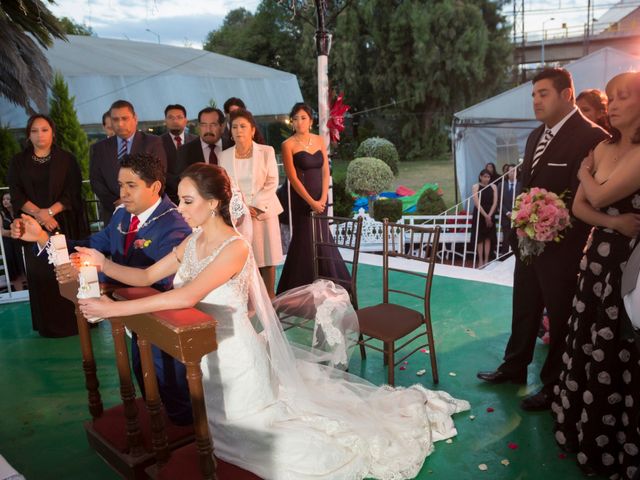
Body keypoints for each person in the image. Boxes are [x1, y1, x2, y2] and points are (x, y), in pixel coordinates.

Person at [76, 163, 470, 480]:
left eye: (187, 200)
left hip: (235, 357)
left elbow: (186, 296)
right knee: (217, 432)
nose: (178, 209)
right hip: (206, 356)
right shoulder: (192, 241)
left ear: (212, 203)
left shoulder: (235, 247)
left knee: (269, 446)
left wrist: (111, 310)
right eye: (179, 199)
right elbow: (145, 277)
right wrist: (103, 263)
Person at [13, 152, 194, 425]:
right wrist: (42, 237)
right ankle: (168, 428)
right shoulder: (122, 216)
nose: (123, 192)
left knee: (171, 384)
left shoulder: (175, 226)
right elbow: (91, 244)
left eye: (131, 185)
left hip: (166, 322)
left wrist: (103, 274)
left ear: (155, 187)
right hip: (135, 320)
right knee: (143, 376)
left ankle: (188, 434)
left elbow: (163, 282)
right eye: (120, 185)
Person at [477, 68, 610, 411]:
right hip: (527, 241)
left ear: (567, 94)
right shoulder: (537, 135)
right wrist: (517, 225)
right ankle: (514, 367)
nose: (536, 100)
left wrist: (553, 225)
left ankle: (554, 386)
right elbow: (525, 185)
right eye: (534, 94)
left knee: (561, 314)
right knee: (524, 305)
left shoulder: (592, 136)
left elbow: (586, 196)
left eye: (544, 93)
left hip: (564, 246)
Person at [552, 72, 640, 479]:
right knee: (588, 339)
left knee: (619, 350)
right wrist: (617, 222)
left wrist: (584, 175)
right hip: (598, 261)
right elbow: (580, 209)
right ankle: (581, 431)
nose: (614, 104)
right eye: (612, 97)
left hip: (631, 266)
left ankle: (612, 445)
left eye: (624, 96)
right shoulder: (603, 147)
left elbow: (598, 196)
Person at [8, 114, 89, 337]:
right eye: (34, 131)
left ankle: (79, 320)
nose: (40, 135)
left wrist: (52, 211)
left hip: (64, 223)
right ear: (28, 135)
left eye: (44, 130)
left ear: (53, 132)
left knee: (67, 271)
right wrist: (40, 215)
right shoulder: (18, 161)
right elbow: (16, 194)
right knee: (43, 274)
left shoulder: (67, 159)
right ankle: (49, 325)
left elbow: (73, 192)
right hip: (33, 228)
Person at [276, 103, 350, 294]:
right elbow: (292, 178)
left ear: (310, 120)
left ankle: (331, 280)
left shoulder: (318, 140)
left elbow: (326, 171)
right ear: (292, 122)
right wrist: (311, 202)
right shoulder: (288, 145)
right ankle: (300, 285)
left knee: (323, 236)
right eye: (296, 118)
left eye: (303, 118)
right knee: (305, 239)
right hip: (303, 200)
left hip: (321, 198)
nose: (299, 122)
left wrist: (323, 197)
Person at [220, 109, 283, 298]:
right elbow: (225, 186)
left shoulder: (266, 151)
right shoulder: (224, 156)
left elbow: (272, 181)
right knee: (244, 259)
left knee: (267, 259)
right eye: (235, 127)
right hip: (238, 216)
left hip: (263, 213)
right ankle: (249, 301)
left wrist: (255, 206)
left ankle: (270, 299)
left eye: (243, 126)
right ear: (230, 131)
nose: (239, 130)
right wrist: (240, 209)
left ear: (252, 130)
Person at [90, 99, 167, 225]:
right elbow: (96, 181)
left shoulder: (153, 143)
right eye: (115, 119)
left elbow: (159, 176)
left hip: (147, 214)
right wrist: (117, 202)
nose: (120, 124)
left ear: (135, 119)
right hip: (113, 214)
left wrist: (134, 201)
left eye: (125, 118)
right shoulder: (99, 148)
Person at [161, 104, 197, 204]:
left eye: (179, 117)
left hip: (194, 194)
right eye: (171, 117)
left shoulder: (195, 140)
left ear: (185, 120)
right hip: (167, 196)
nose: (175, 121)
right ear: (165, 121)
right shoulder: (158, 142)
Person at [176, 107, 225, 172]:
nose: (208, 130)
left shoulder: (232, 146)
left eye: (213, 125)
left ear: (222, 127)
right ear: (199, 127)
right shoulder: (185, 151)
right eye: (204, 125)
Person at [470, 169, 497, 268]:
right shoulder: (475, 186)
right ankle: (480, 259)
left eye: (488, 177)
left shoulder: (494, 186)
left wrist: (489, 215)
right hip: (480, 214)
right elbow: (476, 203)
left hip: (490, 213)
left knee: (488, 238)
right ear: (480, 176)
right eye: (485, 176)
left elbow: (495, 202)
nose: (486, 179)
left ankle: (486, 259)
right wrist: (485, 215)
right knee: (480, 238)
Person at [0, 192, 26, 291]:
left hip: (21, 243)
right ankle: (19, 293)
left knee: (24, 266)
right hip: (9, 245)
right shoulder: (1, 214)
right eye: (3, 199)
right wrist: (15, 232)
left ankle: (31, 293)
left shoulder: (19, 212)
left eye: (8, 199)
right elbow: (1, 231)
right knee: (13, 270)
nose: (5, 201)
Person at [498, 164, 519, 256]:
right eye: (510, 171)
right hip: (505, 216)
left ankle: (516, 255)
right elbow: (499, 201)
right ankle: (505, 255)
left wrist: (516, 213)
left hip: (518, 216)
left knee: (517, 236)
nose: (512, 173)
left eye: (514, 171)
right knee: (506, 236)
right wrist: (507, 212)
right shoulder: (501, 185)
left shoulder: (521, 184)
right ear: (507, 173)